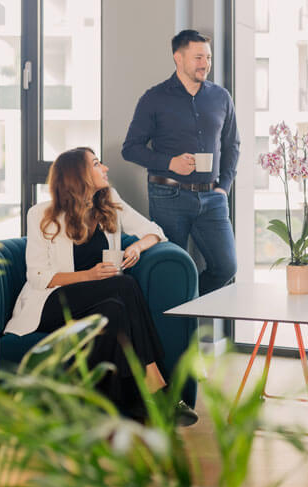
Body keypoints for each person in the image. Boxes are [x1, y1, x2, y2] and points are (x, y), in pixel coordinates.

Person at [4, 147, 198, 425]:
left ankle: (121, 407)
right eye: (96, 164)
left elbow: (155, 231)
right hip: (51, 302)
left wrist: (138, 249)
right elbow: (37, 276)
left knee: (115, 310)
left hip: (100, 296)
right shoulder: (40, 214)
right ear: (78, 175)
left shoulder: (109, 202)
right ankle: (156, 386)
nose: (105, 168)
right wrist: (90, 275)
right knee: (124, 285)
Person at [122, 29, 240, 295]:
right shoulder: (154, 99)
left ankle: (187, 305)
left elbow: (232, 145)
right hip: (168, 196)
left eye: (208, 58)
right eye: (198, 57)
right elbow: (130, 149)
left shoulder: (221, 97)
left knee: (226, 267)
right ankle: (177, 329)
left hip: (212, 199)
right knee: (170, 271)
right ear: (178, 57)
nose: (205, 64)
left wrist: (224, 187)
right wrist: (169, 162)